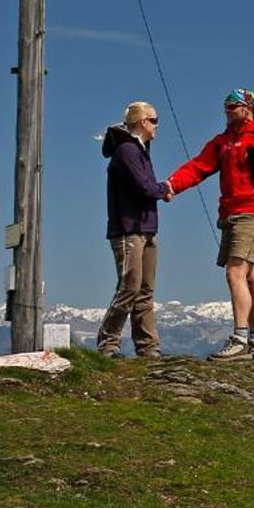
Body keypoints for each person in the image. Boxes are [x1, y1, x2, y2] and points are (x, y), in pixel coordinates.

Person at [167, 88, 254, 361]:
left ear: (249, 108)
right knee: (250, 276)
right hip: (230, 215)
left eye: (233, 106)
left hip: (251, 212)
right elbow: (198, 167)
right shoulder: (222, 142)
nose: (227, 110)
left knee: (234, 273)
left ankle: (239, 339)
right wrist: (171, 185)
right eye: (225, 106)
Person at [97, 100, 174, 357]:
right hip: (128, 230)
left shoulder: (139, 151)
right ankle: (108, 342)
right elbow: (144, 187)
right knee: (129, 287)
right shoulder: (128, 152)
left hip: (145, 229)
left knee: (144, 291)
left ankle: (148, 346)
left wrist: (158, 189)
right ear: (142, 122)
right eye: (154, 121)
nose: (157, 126)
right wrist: (164, 189)